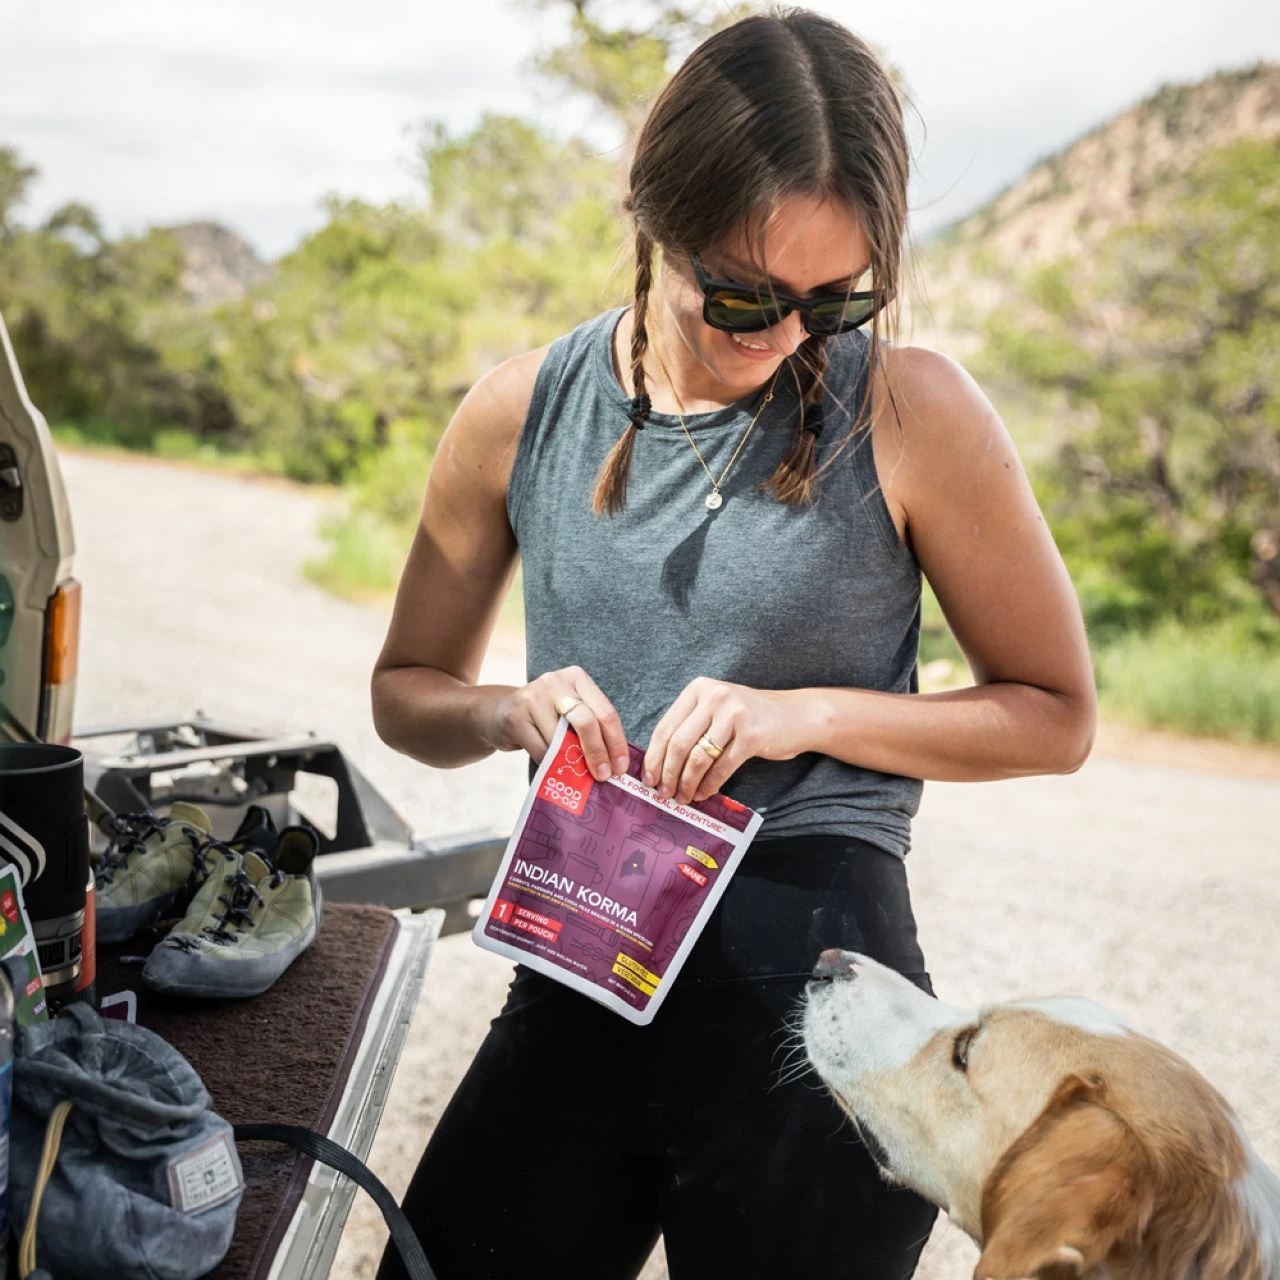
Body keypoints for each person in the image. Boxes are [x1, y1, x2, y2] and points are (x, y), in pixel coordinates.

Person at [370, 9, 1096, 1279]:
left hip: (818, 1001)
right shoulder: (518, 409)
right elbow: (403, 691)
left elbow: (1054, 712)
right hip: (580, 959)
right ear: (653, 214)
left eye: (838, 299)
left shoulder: (911, 409)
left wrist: (798, 712)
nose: (785, 335)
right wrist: (501, 710)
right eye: (745, 295)